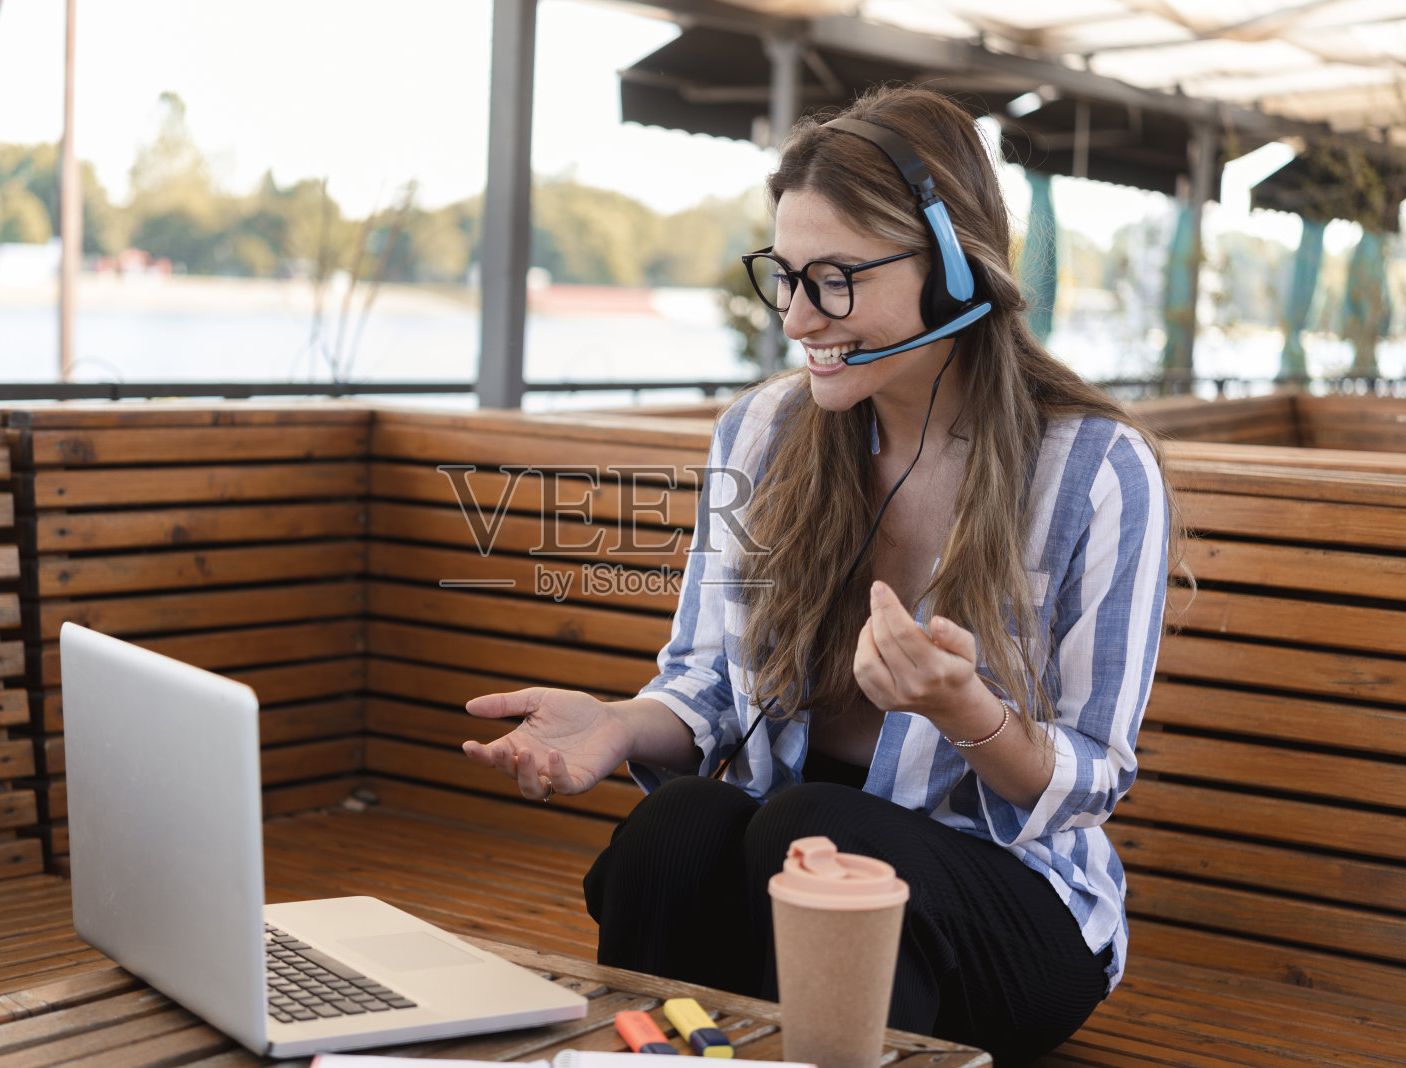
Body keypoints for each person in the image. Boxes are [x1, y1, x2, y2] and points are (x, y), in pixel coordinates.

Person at [461, 85, 1180, 1067]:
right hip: (784, 872)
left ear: (953, 271)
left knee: (814, 826)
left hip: (1007, 910)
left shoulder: (1094, 468)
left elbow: (1092, 776)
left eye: (835, 279)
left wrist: (966, 708)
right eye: (785, 275)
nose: (797, 317)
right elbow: (709, 684)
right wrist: (621, 723)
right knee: (679, 823)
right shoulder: (761, 433)